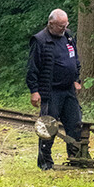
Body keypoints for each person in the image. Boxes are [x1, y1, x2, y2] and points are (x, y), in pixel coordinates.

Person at [26, 9, 82, 169]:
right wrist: (34, 91)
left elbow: (75, 60)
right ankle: (45, 162)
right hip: (50, 91)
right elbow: (32, 68)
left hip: (69, 90)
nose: (63, 29)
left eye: (65, 25)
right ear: (51, 24)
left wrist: (77, 80)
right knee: (48, 126)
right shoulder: (40, 40)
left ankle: (76, 157)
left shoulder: (68, 37)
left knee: (75, 124)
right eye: (60, 26)